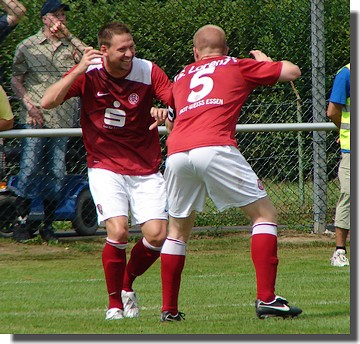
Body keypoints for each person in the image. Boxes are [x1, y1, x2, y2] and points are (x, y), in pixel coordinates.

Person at [159, 24, 303, 321]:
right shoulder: (236, 65)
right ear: (225, 50)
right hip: (214, 146)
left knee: (176, 232)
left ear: (195, 52)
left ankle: (169, 311)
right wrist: (264, 62)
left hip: (176, 153)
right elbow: (292, 72)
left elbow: (172, 121)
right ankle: (267, 299)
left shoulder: (181, 75)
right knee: (264, 216)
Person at [41, 21, 172, 320]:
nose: (129, 54)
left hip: (145, 165)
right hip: (105, 165)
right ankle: (114, 304)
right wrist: (78, 69)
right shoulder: (88, 74)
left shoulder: (148, 71)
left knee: (157, 235)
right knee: (118, 230)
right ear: (104, 51)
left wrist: (166, 111)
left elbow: (175, 99)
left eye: (132, 47)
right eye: (122, 49)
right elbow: (48, 101)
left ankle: (126, 286)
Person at [10, 0, 87, 242]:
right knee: (30, 169)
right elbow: (16, 80)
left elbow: (92, 58)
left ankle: (48, 225)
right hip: (35, 120)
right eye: (56, 14)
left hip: (62, 120)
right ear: (44, 18)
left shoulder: (71, 47)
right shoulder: (27, 46)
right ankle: (21, 223)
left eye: (63, 15)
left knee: (56, 172)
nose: (61, 19)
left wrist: (69, 36)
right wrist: (29, 106)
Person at [327, 63, 350, 267]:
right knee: (349, 194)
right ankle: (340, 251)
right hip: (352, 149)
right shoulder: (346, 74)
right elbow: (333, 111)